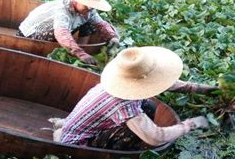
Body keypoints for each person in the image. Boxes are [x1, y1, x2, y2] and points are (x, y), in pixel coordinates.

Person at [50, 46, 217, 150]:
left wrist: (205, 89)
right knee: (134, 131)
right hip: (75, 145)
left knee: (148, 106)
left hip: (77, 126)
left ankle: (63, 127)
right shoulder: (123, 104)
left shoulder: (116, 84)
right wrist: (191, 124)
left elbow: (168, 82)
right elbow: (156, 137)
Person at [17, 0, 119, 65]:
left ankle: (80, 50)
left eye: (92, 6)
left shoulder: (89, 10)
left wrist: (112, 37)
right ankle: (70, 53)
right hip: (30, 34)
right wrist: (80, 53)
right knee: (57, 31)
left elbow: (101, 24)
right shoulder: (62, 10)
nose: (89, 9)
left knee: (90, 23)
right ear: (76, 0)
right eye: (87, 5)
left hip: (57, 31)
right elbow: (61, 33)